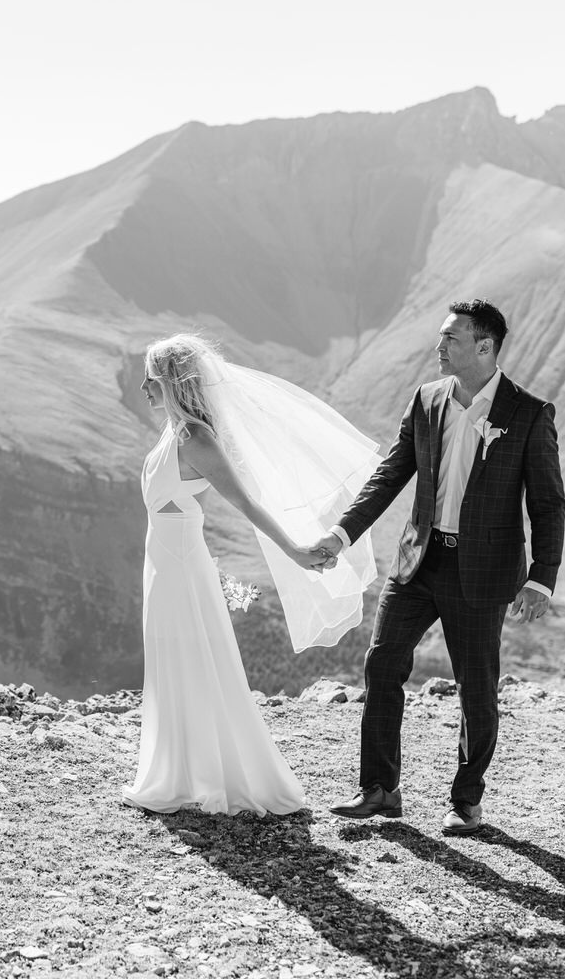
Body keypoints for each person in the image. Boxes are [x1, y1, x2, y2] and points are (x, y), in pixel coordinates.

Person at [313, 299, 565, 835]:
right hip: (418, 563)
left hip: (484, 572)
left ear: (485, 346)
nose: (438, 348)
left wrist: (541, 577)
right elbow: (391, 474)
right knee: (382, 666)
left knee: (477, 688)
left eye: (450, 339)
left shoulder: (528, 414)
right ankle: (380, 789)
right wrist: (341, 534)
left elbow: (547, 503)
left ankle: (466, 801)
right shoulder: (427, 399)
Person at [122, 334, 381, 815]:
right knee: (170, 659)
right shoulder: (173, 433)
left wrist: (295, 550)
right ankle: (177, 770)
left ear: (172, 383)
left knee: (194, 659)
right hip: (162, 560)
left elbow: (245, 503)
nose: (142, 387)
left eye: (151, 378)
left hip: (180, 564)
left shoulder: (195, 439)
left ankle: (210, 775)